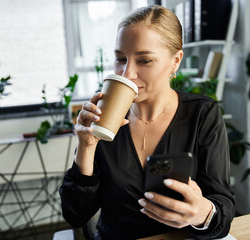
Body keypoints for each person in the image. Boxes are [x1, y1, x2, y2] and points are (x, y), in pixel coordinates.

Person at [59, 5, 235, 240]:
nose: (126, 73)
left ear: (175, 61)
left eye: (144, 60)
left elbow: (222, 209)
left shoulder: (202, 114)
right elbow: (75, 215)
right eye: (121, 58)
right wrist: (86, 146)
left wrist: (202, 213)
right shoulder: (105, 118)